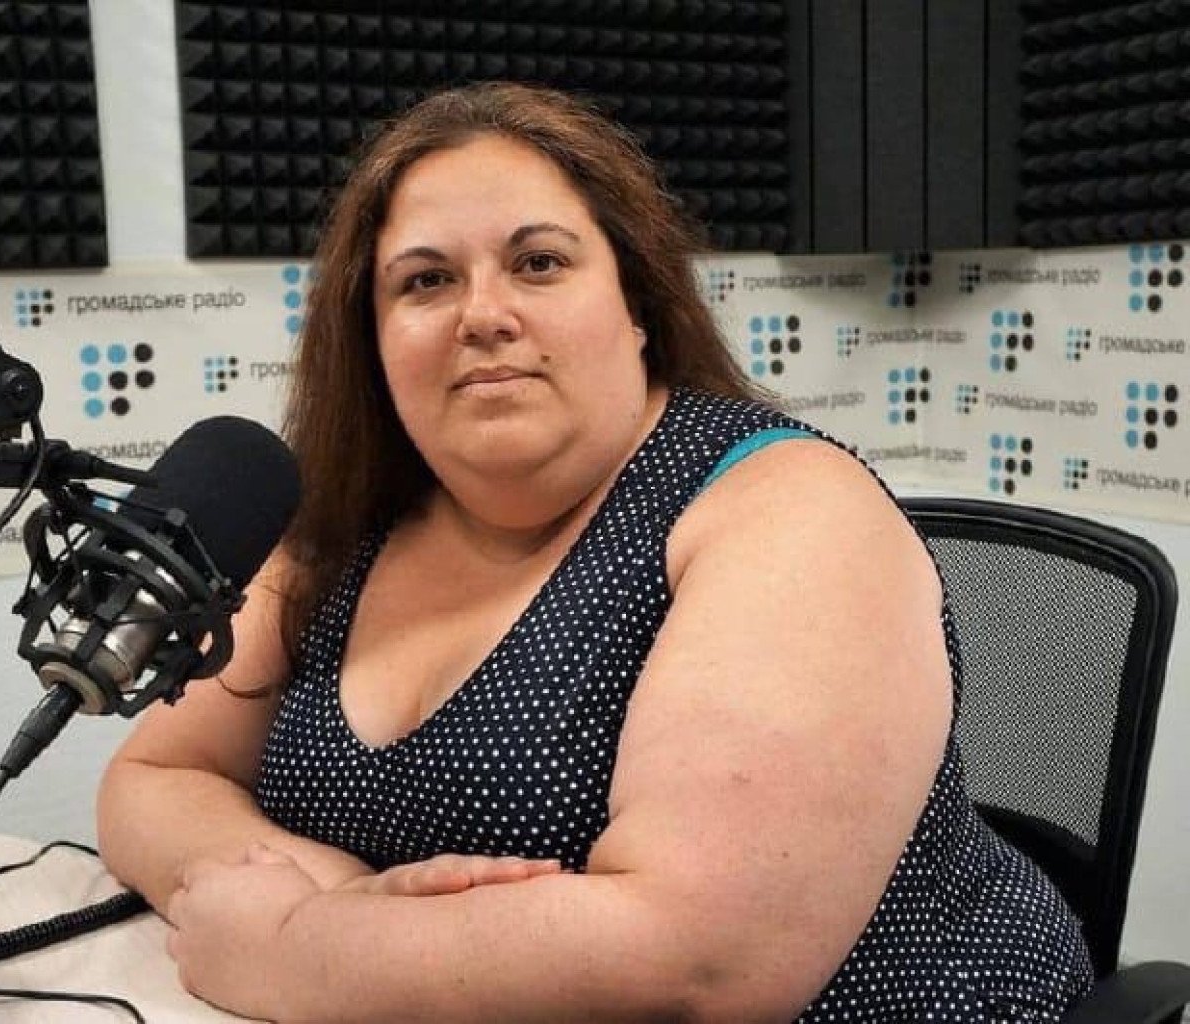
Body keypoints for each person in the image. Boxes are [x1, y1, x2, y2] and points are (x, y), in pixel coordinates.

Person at [97, 81, 1094, 1022]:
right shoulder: (339, 530)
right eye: (426, 281)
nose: (483, 315)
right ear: (371, 338)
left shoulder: (789, 511)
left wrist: (298, 950)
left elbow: (700, 961)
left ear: (636, 305)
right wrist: (343, 899)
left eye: (538, 263)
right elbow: (155, 779)